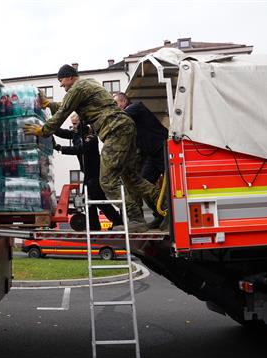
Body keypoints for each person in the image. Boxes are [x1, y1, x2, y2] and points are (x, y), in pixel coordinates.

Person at [24, 64, 163, 232]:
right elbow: (65, 106)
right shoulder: (87, 84)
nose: (61, 86)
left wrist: (43, 131)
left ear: (69, 77)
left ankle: (135, 220)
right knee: (131, 177)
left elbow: (63, 112)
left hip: (115, 130)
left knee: (107, 181)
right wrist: (48, 104)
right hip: (123, 128)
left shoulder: (78, 87)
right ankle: (164, 205)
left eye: (61, 81)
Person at [54, 112, 123, 230]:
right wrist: (48, 127)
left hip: (96, 173)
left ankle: (116, 222)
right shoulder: (76, 134)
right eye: (72, 124)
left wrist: (61, 148)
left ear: (83, 123)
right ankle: (96, 225)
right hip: (87, 174)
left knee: (96, 199)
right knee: (91, 200)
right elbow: (61, 132)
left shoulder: (91, 138)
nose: (74, 127)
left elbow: (80, 149)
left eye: (75, 124)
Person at [114, 92, 168, 228]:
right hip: (152, 154)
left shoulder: (136, 107)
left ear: (123, 101)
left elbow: (119, 119)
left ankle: (169, 214)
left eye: (115, 104)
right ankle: (159, 214)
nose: (114, 107)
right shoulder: (129, 115)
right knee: (144, 183)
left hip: (162, 149)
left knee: (172, 183)